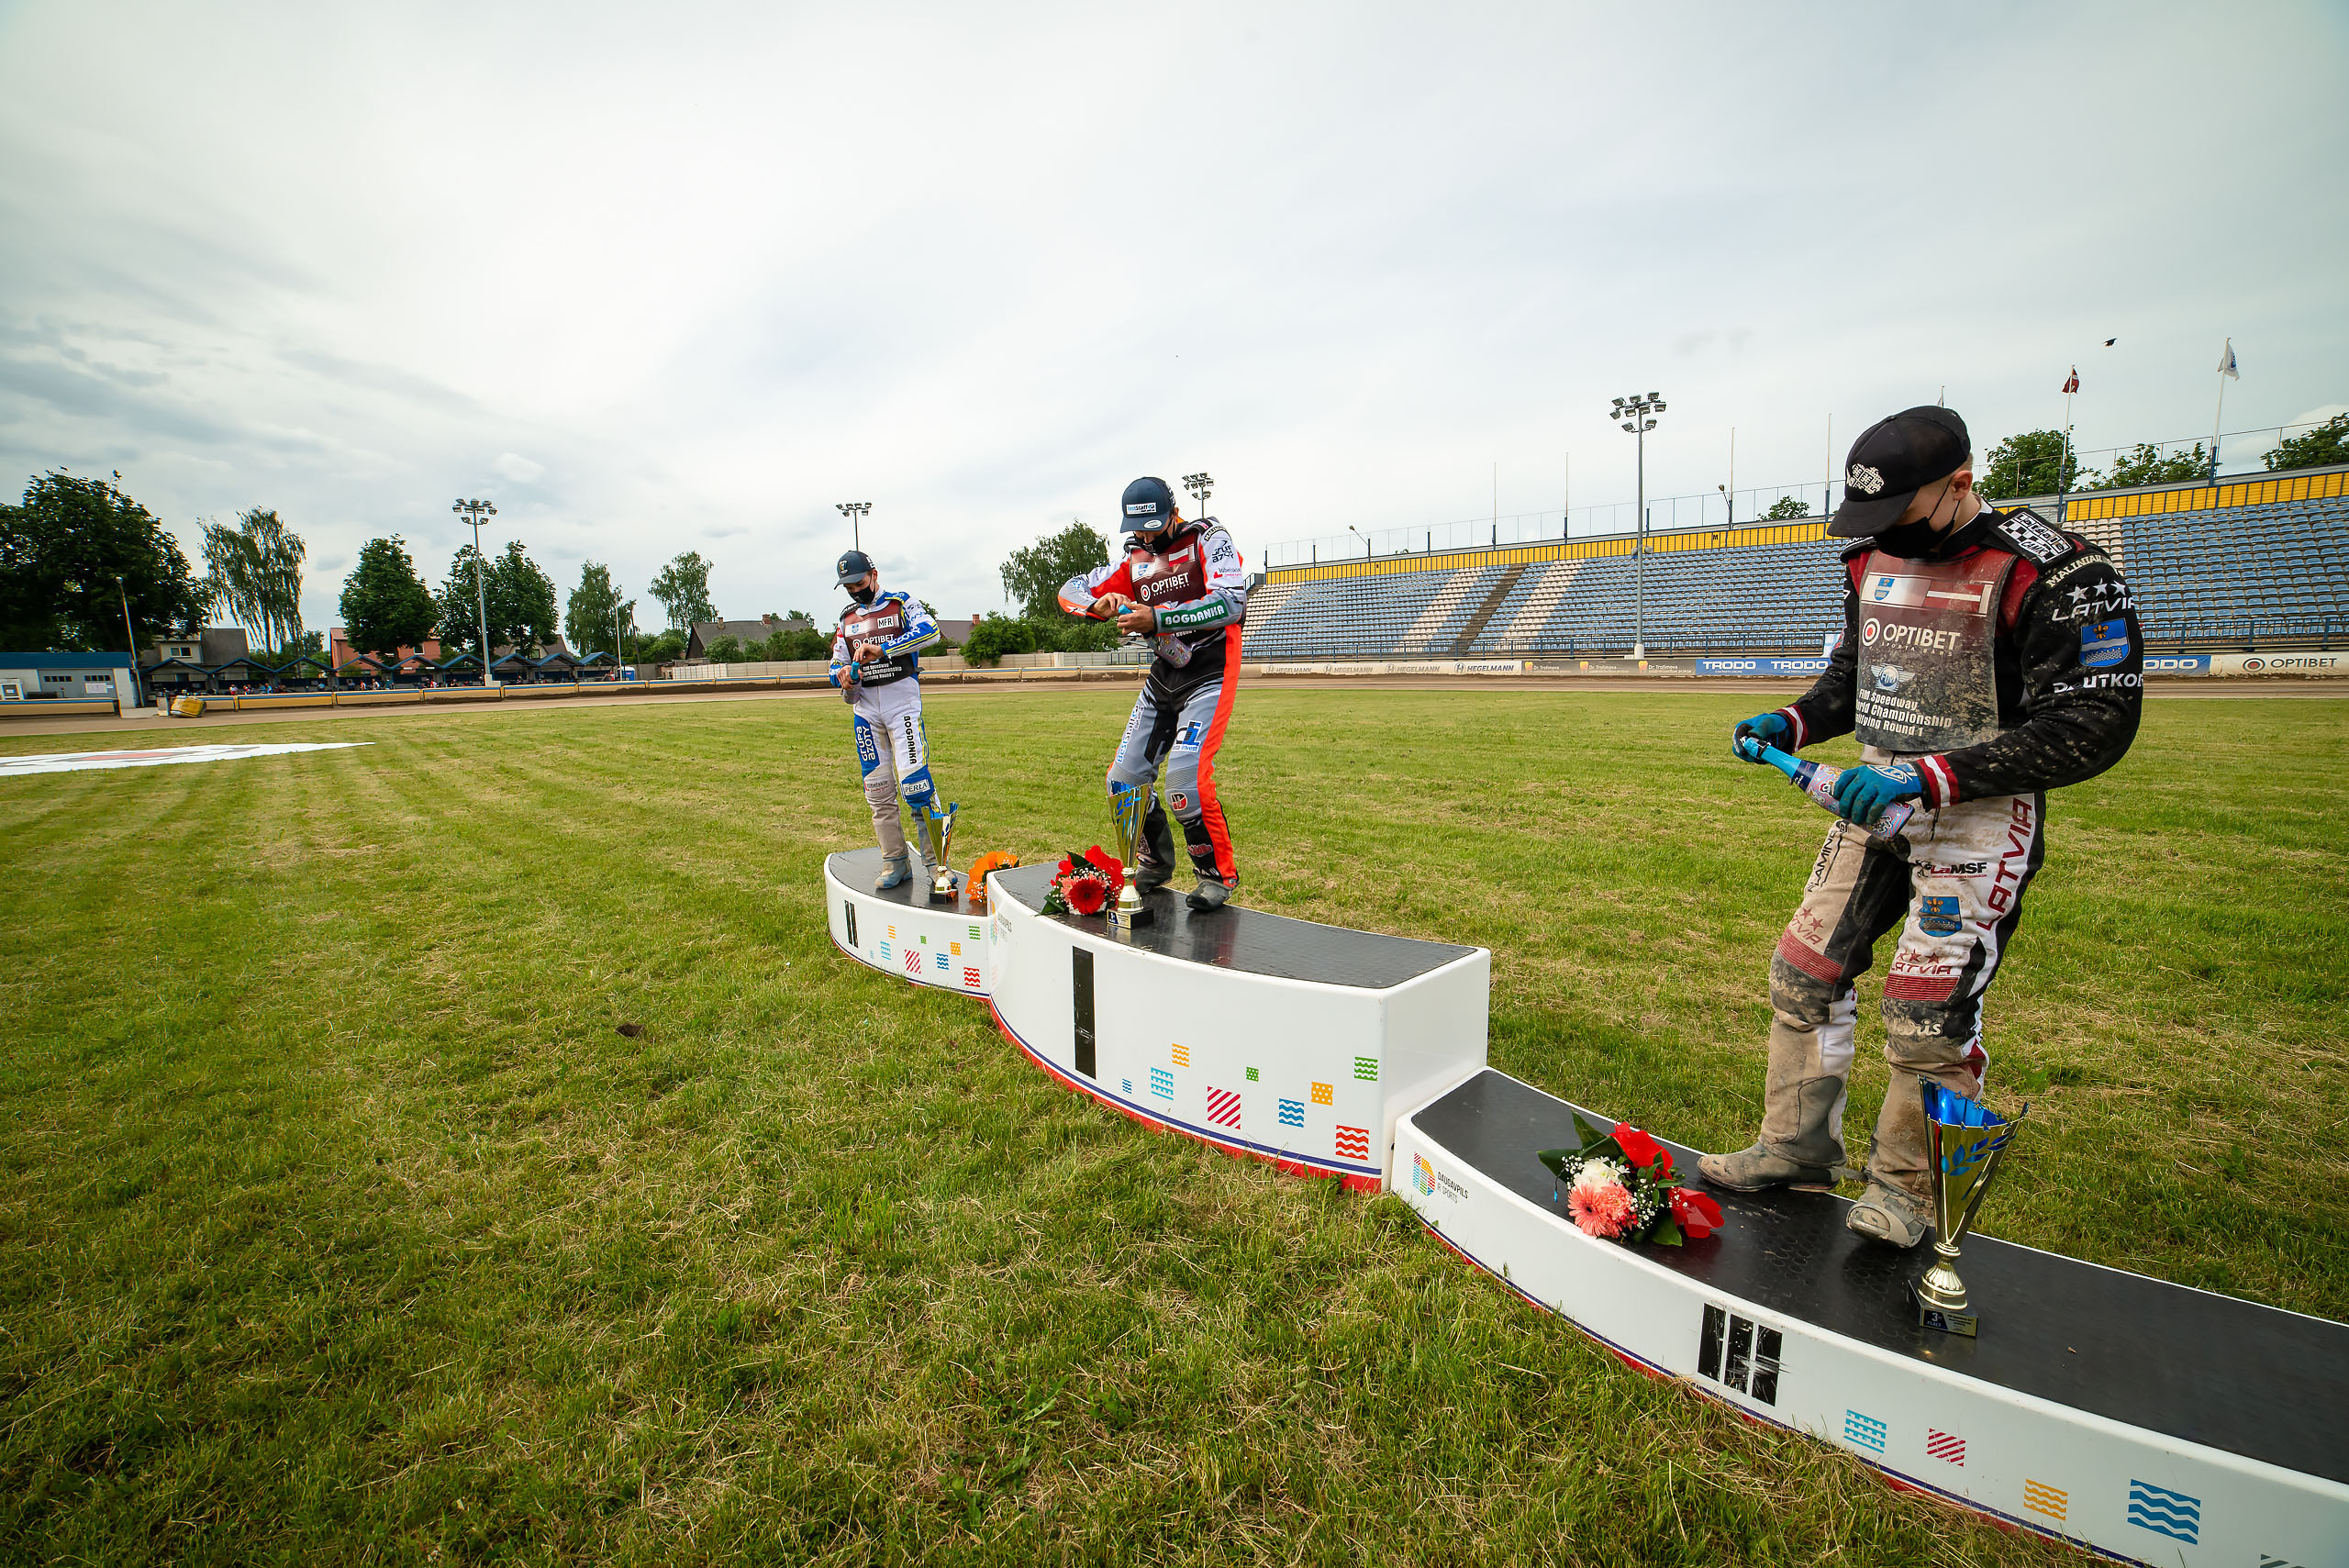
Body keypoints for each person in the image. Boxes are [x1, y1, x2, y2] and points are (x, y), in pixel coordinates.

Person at [1698, 406, 2143, 1247]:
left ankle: (1906, 1191)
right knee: (1803, 972)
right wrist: (1793, 722)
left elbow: (2094, 722)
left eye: (1899, 512)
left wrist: (1929, 775)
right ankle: (1792, 1148)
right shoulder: (1868, 557)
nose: (1884, 536)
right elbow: (1852, 678)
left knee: (1925, 1012)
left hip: (1978, 813)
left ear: (1961, 484)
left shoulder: (2060, 571)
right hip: (1874, 800)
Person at [1059, 476, 1249, 911]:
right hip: (1164, 675)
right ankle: (1153, 861)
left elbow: (1233, 601)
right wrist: (1097, 605)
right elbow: (1070, 589)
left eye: (1153, 524)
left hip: (1210, 671)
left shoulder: (1209, 538)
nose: (1145, 535)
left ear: (1173, 510)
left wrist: (1157, 618)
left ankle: (1215, 876)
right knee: (1122, 781)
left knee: (1186, 779)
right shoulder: (1134, 559)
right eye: (1137, 528)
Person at [829, 549, 944, 890]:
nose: (854, 590)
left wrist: (885, 649)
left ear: (874, 575)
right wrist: (843, 677)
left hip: (901, 706)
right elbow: (835, 664)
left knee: (916, 786)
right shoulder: (847, 618)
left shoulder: (901, 602)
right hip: (865, 712)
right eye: (847, 586)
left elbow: (931, 631)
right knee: (878, 792)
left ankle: (938, 865)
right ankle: (895, 861)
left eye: (858, 582)